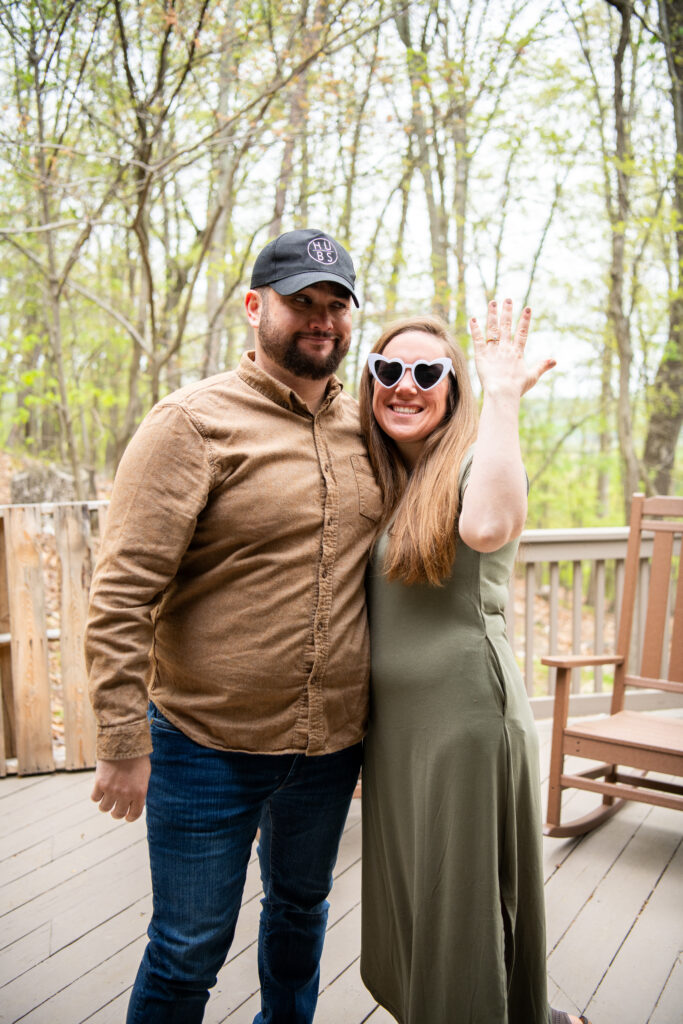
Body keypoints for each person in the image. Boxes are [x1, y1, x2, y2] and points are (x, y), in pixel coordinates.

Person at [85, 228, 383, 1024]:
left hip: (329, 749)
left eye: (335, 305)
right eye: (300, 302)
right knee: (186, 950)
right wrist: (121, 742)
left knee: (299, 918)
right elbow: (120, 595)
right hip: (204, 746)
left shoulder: (367, 430)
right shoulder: (189, 424)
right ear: (256, 307)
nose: (320, 320)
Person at [357, 302, 591, 1024]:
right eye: (388, 369)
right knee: (415, 900)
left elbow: (487, 526)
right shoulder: (385, 476)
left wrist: (503, 395)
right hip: (396, 733)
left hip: (464, 723)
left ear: (452, 388)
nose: (406, 383)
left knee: (462, 903)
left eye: (429, 371)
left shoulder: (471, 457)